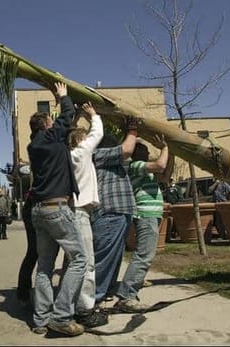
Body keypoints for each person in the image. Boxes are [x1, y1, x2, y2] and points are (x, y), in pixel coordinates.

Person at [27, 82, 87, 337]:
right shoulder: (50, 137)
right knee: (80, 259)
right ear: (46, 125)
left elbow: (66, 125)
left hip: (39, 211)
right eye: (51, 122)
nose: (55, 124)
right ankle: (62, 316)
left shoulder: (35, 146)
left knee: (44, 266)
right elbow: (65, 118)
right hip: (57, 209)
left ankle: (40, 320)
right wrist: (63, 97)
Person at [114, 135, 173, 313]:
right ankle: (127, 296)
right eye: (145, 150)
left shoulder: (145, 170)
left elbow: (165, 175)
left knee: (145, 254)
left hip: (151, 215)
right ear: (138, 153)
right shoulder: (135, 166)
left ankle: (131, 287)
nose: (148, 153)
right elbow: (160, 165)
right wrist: (165, 147)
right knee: (144, 255)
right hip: (145, 215)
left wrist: (172, 153)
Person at [66, 101, 107, 328]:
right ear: (80, 141)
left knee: (72, 263)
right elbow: (97, 133)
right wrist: (93, 115)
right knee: (86, 263)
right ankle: (85, 309)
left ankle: (69, 305)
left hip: (72, 211)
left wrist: (73, 119)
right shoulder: (81, 153)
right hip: (80, 213)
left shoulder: (68, 156)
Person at [91, 116, 139, 306]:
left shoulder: (111, 160)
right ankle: (91, 300)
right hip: (110, 213)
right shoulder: (98, 154)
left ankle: (105, 293)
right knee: (104, 259)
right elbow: (127, 149)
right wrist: (133, 129)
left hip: (120, 213)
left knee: (114, 257)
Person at [16, 189, 36, 307]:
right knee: (34, 252)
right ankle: (23, 293)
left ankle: (24, 293)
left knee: (35, 253)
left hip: (35, 206)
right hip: (33, 208)